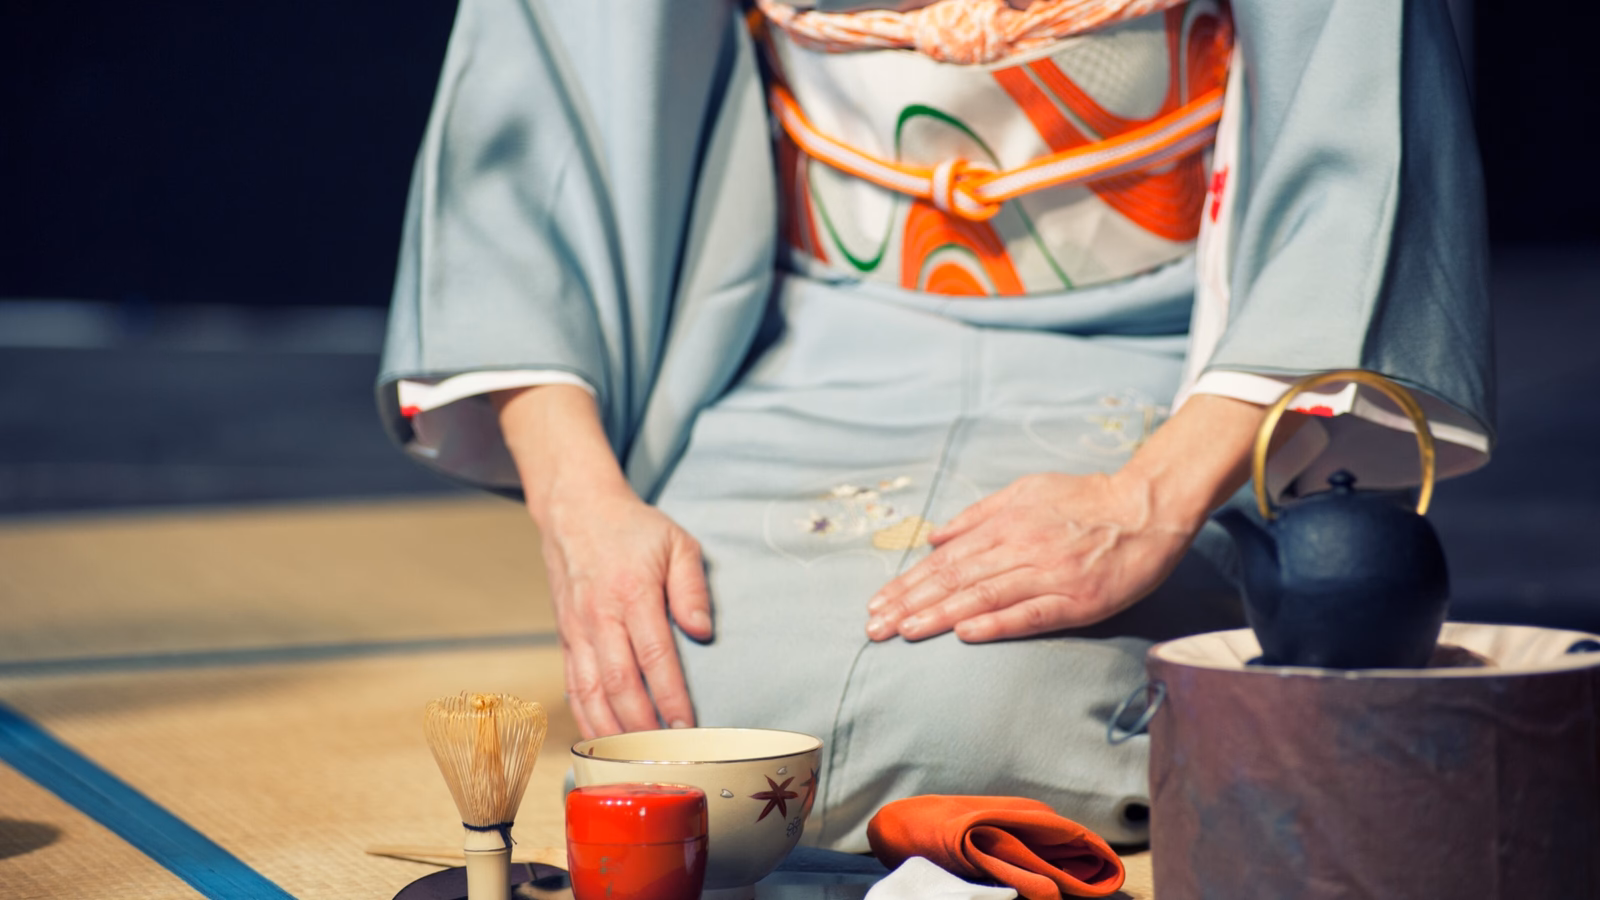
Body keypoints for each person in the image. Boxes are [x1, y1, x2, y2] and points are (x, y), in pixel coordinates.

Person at [378, 0, 1492, 850]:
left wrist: (1149, 498)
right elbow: (538, 110)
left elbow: (1359, 91)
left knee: (988, 721)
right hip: (813, 336)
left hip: (1170, 359)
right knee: (694, 738)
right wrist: (584, 507)